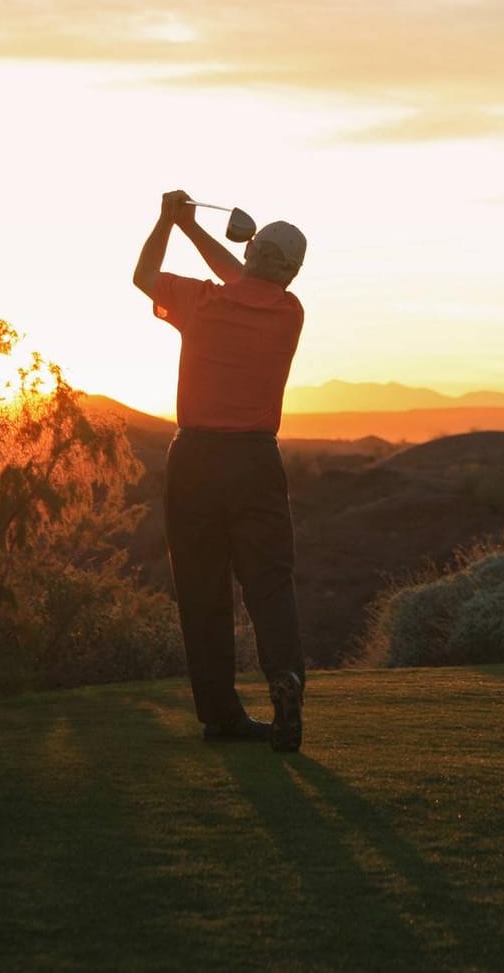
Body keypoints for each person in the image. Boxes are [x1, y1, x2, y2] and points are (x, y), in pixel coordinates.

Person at [132, 190, 308, 752]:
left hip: (196, 461)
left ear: (251, 250)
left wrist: (170, 222)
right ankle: (285, 684)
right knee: (270, 585)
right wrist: (189, 228)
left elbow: (144, 274)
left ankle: (220, 714)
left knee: (203, 591)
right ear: (294, 270)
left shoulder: (203, 302)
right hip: (256, 460)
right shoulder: (289, 310)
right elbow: (249, 278)